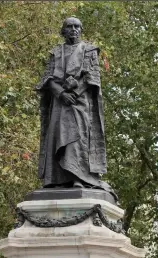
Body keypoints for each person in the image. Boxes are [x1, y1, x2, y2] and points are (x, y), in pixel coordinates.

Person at [36, 17, 118, 201]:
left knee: (77, 139)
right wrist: (61, 94)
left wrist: (75, 93)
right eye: (69, 27)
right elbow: (47, 79)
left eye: (77, 27)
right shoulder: (56, 52)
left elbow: (92, 78)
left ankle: (78, 178)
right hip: (59, 103)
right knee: (56, 137)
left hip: (80, 104)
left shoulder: (89, 50)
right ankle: (57, 179)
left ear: (81, 30)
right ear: (63, 30)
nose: (74, 29)